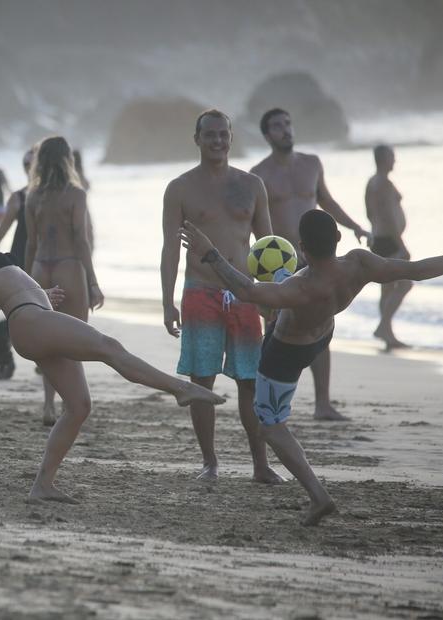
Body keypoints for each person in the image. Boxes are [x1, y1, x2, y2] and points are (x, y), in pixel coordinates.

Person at [0, 184, 225, 503]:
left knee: (79, 406)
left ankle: (42, 484)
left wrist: (41, 295)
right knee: (109, 347)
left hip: (35, 317)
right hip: (30, 323)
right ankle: (180, 389)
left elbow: (8, 287)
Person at [179, 211, 443, 524]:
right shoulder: (360, 263)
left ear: (302, 247)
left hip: (285, 353)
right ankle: (309, 491)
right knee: (277, 300)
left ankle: (319, 497)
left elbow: (247, 291)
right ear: (339, 238)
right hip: (321, 336)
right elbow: (415, 268)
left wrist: (211, 254)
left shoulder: (300, 288)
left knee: (270, 426)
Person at [161, 109, 282, 483]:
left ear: (231, 138)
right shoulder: (179, 188)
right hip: (200, 291)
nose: (217, 141)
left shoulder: (252, 185)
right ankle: (209, 462)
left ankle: (260, 465)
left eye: (223, 134)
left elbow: (270, 249)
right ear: (196, 140)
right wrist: (168, 302)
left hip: (244, 293)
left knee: (250, 382)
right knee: (202, 381)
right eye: (209, 135)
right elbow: (169, 249)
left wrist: (272, 299)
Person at [251, 108, 372, 421]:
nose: (285, 130)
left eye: (288, 123)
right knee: (276, 330)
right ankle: (272, 399)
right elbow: (257, 223)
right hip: (279, 265)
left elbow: (327, 202)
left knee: (321, 327)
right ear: (266, 135)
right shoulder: (259, 174)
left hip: (315, 260)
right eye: (277, 126)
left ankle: (322, 404)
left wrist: (354, 225)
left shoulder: (311, 164)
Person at [25, 137, 103, 426]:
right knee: (75, 341)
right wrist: (93, 282)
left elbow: (31, 243)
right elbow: (81, 241)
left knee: (48, 344)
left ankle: (48, 405)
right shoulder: (76, 194)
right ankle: (73, 403)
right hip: (69, 267)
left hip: (39, 269)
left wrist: (22, 282)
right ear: (68, 159)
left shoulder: (33, 196)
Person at [0, 149, 34, 380]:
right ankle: (0, 348)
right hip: (22, 258)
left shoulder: (52, 196)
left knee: (34, 309)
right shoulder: (20, 197)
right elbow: (0, 233)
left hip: (45, 259)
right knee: (22, 309)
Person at [365, 145, 411, 350]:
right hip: (389, 240)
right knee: (404, 284)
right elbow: (389, 217)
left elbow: (369, 213)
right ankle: (383, 326)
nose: (395, 161)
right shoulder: (383, 183)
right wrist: (401, 244)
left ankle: (388, 333)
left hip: (379, 238)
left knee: (387, 289)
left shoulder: (372, 182)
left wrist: (374, 232)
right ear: (384, 158)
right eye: (392, 157)